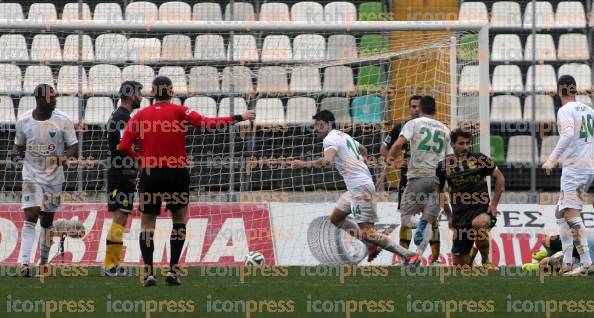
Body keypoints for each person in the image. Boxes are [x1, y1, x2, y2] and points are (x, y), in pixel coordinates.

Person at [119, 76, 255, 286]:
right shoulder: (181, 111)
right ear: (172, 92)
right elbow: (209, 124)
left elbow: (124, 145)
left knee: (147, 225)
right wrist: (239, 116)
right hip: (177, 173)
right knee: (179, 221)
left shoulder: (140, 116)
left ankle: (148, 273)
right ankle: (172, 271)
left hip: (151, 173)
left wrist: (140, 160)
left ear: (152, 93)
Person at [291, 110, 416, 264]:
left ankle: (408, 254)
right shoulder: (342, 135)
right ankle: (371, 246)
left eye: (319, 125)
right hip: (356, 187)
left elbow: (327, 161)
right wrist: (362, 159)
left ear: (328, 125)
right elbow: (363, 149)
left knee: (368, 232)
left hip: (360, 188)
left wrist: (304, 164)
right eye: (315, 125)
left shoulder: (330, 139)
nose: (316, 129)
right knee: (336, 218)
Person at [12, 84, 78, 276]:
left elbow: (73, 145)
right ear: (39, 99)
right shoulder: (24, 120)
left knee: (47, 221)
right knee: (31, 215)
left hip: (54, 178)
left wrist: (65, 158)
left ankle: (43, 261)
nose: (55, 100)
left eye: (55, 96)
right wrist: (17, 156)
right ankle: (24, 263)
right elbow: (17, 146)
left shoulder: (63, 120)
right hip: (31, 175)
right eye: (51, 97)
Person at [389, 96, 451, 264]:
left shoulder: (413, 124)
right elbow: (450, 159)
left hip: (417, 177)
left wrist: (390, 158)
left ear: (420, 108)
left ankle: (409, 252)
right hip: (438, 180)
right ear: (436, 110)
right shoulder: (445, 129)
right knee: (430, 220)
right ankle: (418, 254)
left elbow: (396, 145)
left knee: (406, 219)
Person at [542, 75, 594, 276]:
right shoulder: (589, 110)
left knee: (571, 213)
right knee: (560, 212)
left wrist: (552, 159)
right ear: (575, 89)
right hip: (587, 167)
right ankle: (566, 261)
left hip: (574, 169)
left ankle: (586, 263)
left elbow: (568, 134)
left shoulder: (565, 110)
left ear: (558, 90)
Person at [435, 129, 505, 267]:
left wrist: (494, 205)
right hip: (460, 217)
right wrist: (449, 215)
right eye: (461, 143)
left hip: (482, 211)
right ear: (452, 144)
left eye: (468, 143)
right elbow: (439, 192)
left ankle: (486, 261)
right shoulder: (443, 166)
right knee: (459, 267)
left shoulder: (479, 159)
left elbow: (500, 178)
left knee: (479, 224)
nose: (466, 147)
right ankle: (472, 254)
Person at [101, 81, 144, 277]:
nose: (141, 97)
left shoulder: (121, 117)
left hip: (122, 172)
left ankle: (112, 263)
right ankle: (111, 265)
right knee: (119, 217)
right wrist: (140, 160)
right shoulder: (121, 118)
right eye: (138, 93)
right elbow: (123, 146)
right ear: (130, 95)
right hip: (120, 174)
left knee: (121, 217)